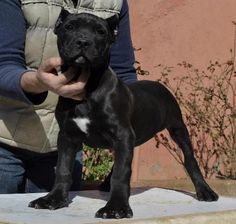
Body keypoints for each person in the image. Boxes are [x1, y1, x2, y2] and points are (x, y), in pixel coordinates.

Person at [0, 0, 137, 193]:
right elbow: (3, 63)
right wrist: (38, 82)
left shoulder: (114, 2)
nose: (83, 40)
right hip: (5, 142)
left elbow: (124, 74)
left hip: (66, 147)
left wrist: (125, 131)